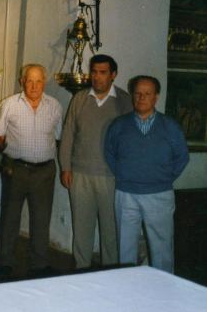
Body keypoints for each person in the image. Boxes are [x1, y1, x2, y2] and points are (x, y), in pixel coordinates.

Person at [105, 75, 189, 273]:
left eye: (147, 94)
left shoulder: (170, 127)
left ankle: (163, 287)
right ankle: (127, 286)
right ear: (133, 96)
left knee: (162, 250)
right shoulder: (119, 125)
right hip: (126, 194)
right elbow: (109, 154)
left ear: (156, 97)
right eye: (138, 93)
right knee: (125, 248)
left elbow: (182, 157)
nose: (141, 98)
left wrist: (162, 178)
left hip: (159, 195)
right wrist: (125, 175)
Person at [59, 54, 132, 269]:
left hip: (111, 176)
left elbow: (130, 139)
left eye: (102, 72)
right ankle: (82, 269)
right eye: (94, 72)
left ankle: (110, 271)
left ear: (113, 75)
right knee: (82, 227)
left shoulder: (124, 101)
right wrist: (65, 167)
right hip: (80, 174)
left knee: (111, 230)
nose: (97, 77)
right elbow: (68, 134)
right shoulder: (80, 99)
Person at [0, 64, 62, 277]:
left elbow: (57, 137)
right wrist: (10, 155)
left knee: (41, 219)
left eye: (38, 81)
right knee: (10, 217)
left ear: (44, 82)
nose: (34, 86)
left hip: (44, 172)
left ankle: (39, 264)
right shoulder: (10, 105)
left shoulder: (54, 106)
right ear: (22, 81)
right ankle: (5, 262)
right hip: (16, 170)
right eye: (29, 81)